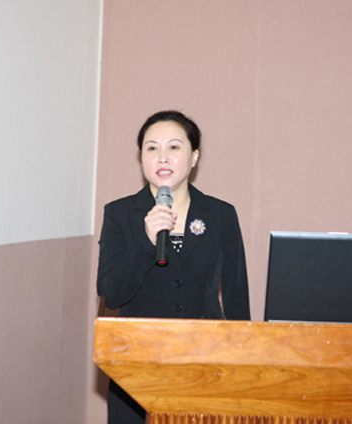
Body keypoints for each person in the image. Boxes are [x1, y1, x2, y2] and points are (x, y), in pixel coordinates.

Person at [96, 110, 251, 424]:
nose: (162, 157)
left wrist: (241, 362)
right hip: (136, 362)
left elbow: (237, 297)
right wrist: (146, 240)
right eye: (152, 148)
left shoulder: (220, 215)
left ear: (194, 157)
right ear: (141, 158)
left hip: (205, 360)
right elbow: (111, 294)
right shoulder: (120, 214)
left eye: (174, 147)